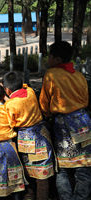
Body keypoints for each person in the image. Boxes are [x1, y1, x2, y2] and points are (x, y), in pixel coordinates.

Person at [39, 41, 91, 200]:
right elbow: (86, 98)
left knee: (62, 166)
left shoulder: (51, 74)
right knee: (83, 165)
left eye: (50, 56)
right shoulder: (78, 75)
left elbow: (44, 101)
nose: (48, 59)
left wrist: (46, 114)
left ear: (56, 59)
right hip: (83, 121)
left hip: (63, 125)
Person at [3, 71, 55, 200]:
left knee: (27, 176)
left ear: (7, 90)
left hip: (25, 140)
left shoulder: (10, 104)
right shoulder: (30, 92)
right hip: (41, 137)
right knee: (42, 177)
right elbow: (24, 88)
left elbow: (10, 123)